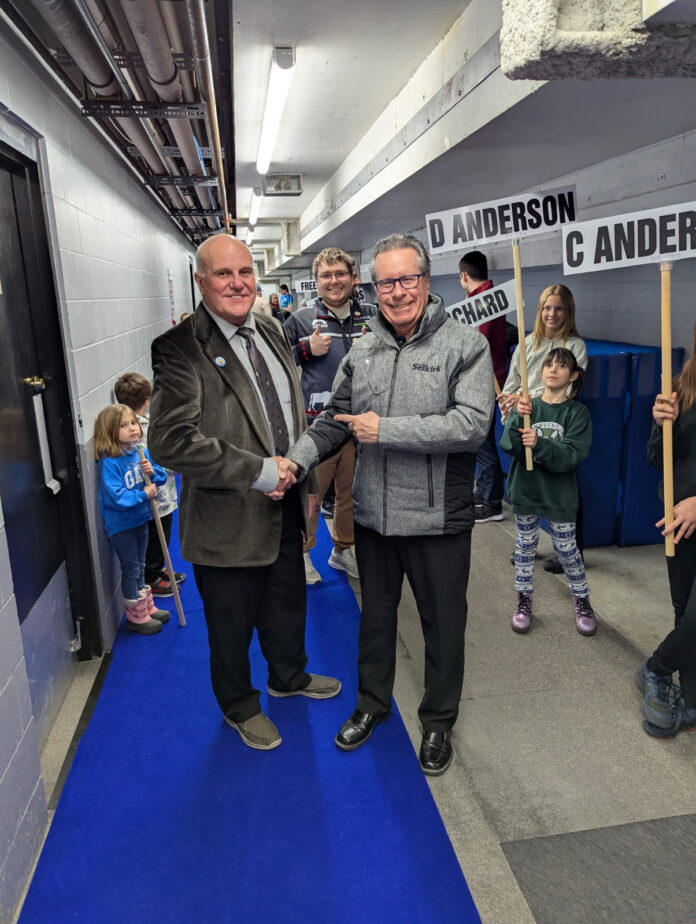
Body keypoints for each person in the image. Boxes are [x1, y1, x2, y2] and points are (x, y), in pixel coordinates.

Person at [282, 232, 494, 776]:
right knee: (374, 620)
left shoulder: (465, 345)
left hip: (437, 519)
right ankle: (371, 705)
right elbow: (336, 418)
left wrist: (387, 430)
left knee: (442, 625)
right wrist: (296, 462)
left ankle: (438, 720)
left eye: (407, 279)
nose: (397, 292)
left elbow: (471, 426)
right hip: (375, 516)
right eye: (386, 283)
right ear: (373, 288)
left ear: (426, 279)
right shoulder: (365, 348)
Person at [148, 234, 340, 752]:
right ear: (201, 281)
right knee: (230, 627)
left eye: (245, 272)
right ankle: (239, 706)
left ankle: (289, 676)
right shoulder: (179, 347)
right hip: (226, 519)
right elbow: (170, 440)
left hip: (286, 502)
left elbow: (289, 412)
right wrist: (258, 472)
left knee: (287, 603)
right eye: (223, 274)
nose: (237, 284)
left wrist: (299, 477)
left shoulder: (272, 329)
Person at [283, 247, 376, 584]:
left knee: (352, 495)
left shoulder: (372, 315)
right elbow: (276, 363)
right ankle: (302, 553)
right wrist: (305, 349)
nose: (333, 281)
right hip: (318, 426)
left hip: (360, 424)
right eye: (326, 275)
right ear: (316, 281)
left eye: (340, 274)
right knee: (311, 496)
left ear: (353, 278)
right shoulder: (300, 319)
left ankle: (343, 550)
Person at [500, 348, 596, 636]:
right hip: (526, 489)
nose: (553, 369)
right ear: (540, 372)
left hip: (559, 494)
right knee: (525, 548)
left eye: (562, 366)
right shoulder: (529, 406)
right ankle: (523, 601)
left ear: (573, 375)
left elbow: (572, 455)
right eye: (549, 364)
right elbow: (509, 445)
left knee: (567, 550)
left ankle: (582, 600)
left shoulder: (577, 413)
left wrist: (539, 443)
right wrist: (517, 418)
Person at [500, 284, 588, 572]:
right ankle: (525, 544)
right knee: (527, 484)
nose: (552, 313)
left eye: (559, 308)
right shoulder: (526, 344)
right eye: (547, 307)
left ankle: (571, 550)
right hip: (526, 421)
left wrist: (529, 397)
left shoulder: (575, 346)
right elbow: (512, 384)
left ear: (568, 311)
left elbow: (570, 388)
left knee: (561, 486)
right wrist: (510, 405)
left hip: (557, 425)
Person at [635, 324, 696, 738]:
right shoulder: (681, 388)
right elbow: (659, 460)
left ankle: (656, 668)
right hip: (680, 519)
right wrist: (662, 426)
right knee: (685, 610)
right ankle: (691, 699)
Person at [94, 404, 169, 635]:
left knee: (141, 564)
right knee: (132, 568)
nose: (132, 428)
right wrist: (143, 494)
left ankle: (146, 607)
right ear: (110, 431)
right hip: (122, 525)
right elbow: (116, 497)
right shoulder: (110, 462)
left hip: (141, 519)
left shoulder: (141, 453)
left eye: (133, 423)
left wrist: (152, 472)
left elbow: (161, 477)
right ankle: (136, 617)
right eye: (124, 426)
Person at [113, 372, 184, 597]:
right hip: (157, 494)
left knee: (157, 535)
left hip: (155, 491)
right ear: (147, 399)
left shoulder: (130, 424)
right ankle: (152, 576)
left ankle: (158, 569)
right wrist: (178, 465)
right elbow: (159, 458)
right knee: (157, 535)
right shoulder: (143, 427)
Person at [459, 250, 507, 523]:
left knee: (482, 443)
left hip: (486, 380)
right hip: (487, 377)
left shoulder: (482, 301)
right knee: (481, 441)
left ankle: (492, 503)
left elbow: (480, 342)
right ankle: (486, 493)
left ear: (464, 276)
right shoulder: (490, 297)